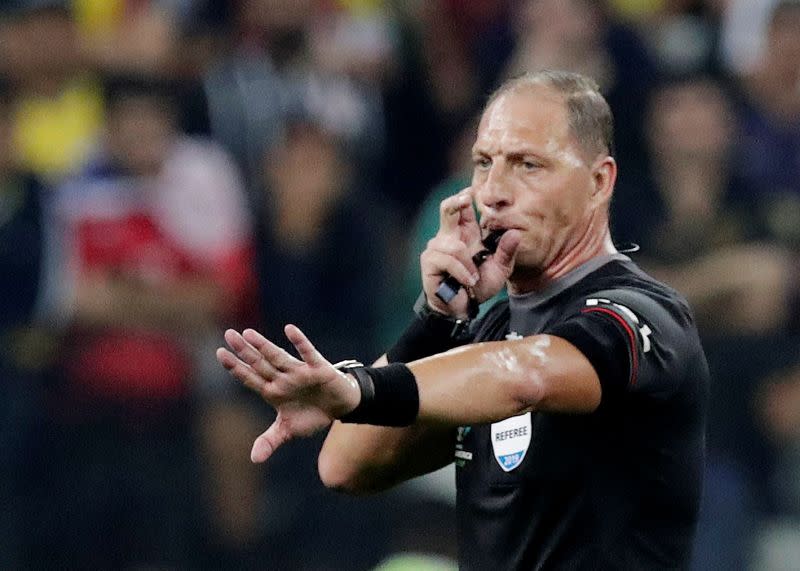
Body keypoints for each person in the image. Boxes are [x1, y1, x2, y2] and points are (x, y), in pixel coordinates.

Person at [217, 70, 709, 569]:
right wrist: (435, 319)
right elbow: (346, 465)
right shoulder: (486, 332)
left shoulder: (642, 315)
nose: (493, 192)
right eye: (483, 164)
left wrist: (359, 390)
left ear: (599, 181)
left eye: (527, 165)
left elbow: (524, 376)